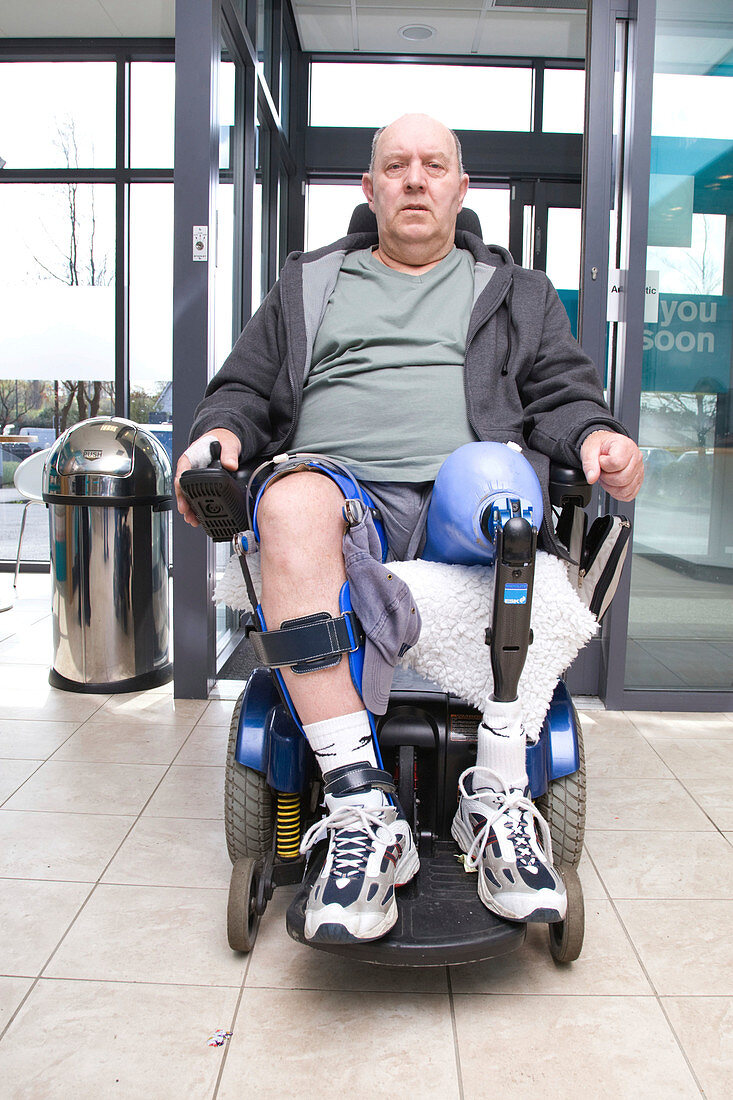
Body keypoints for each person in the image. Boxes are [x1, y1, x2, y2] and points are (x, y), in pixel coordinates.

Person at [176, 113, 643, 945]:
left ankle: (497, 795)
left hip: (461, 491)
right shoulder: (308, 284)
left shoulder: (517, 292)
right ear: (369, 188)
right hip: (341, 493)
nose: (416, 179)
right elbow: (240, 391)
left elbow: (564, 394)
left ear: (461, 190)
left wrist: (595, 438)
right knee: (282, 503)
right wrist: (219, 438)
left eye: (435, 166)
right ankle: (361, 809)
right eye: (396, 166)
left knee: (503, 487)